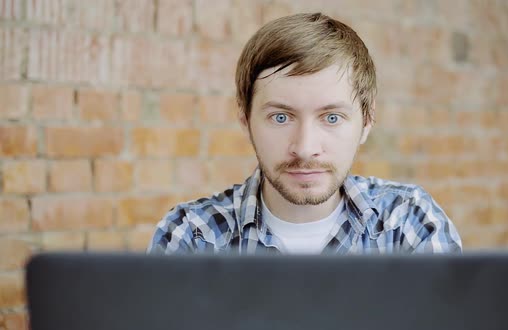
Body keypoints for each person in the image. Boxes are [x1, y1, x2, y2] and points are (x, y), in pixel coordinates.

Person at [148, 13, 462, 255]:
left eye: (332, 117)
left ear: (367, 121)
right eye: (281, 117)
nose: (305, 148)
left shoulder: (409, 222)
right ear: (244, 117)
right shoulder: (191, 236)